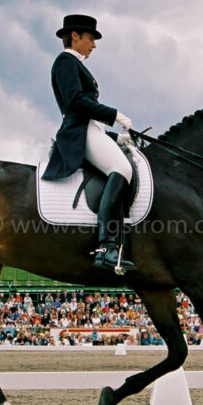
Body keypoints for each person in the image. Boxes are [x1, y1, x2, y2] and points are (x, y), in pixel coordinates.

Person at [42, 14, 137, 272]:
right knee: (123, 170)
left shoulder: (77, 65)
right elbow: (75, 102)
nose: (94, 45)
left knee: (125, 163)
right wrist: (113, 115)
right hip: (78, 131)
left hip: (88, 129)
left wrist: (117, 138)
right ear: (75, 36)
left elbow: (88, 119)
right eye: (91, 38)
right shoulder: (65, 62)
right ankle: (106, 246)